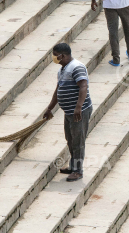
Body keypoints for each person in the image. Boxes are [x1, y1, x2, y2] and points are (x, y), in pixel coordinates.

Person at [44, 43, 93, 182]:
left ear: (63, 55)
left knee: (78, 141)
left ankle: (78, 171)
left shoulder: (76, 67)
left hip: (79, 112)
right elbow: (58, 90)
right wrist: (49, 108)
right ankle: (73, 166)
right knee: (70, 139)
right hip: (69, 111)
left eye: (55, 54)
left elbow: (83, 86)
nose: (54, 57)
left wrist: (78, 107)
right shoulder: (62, 70)